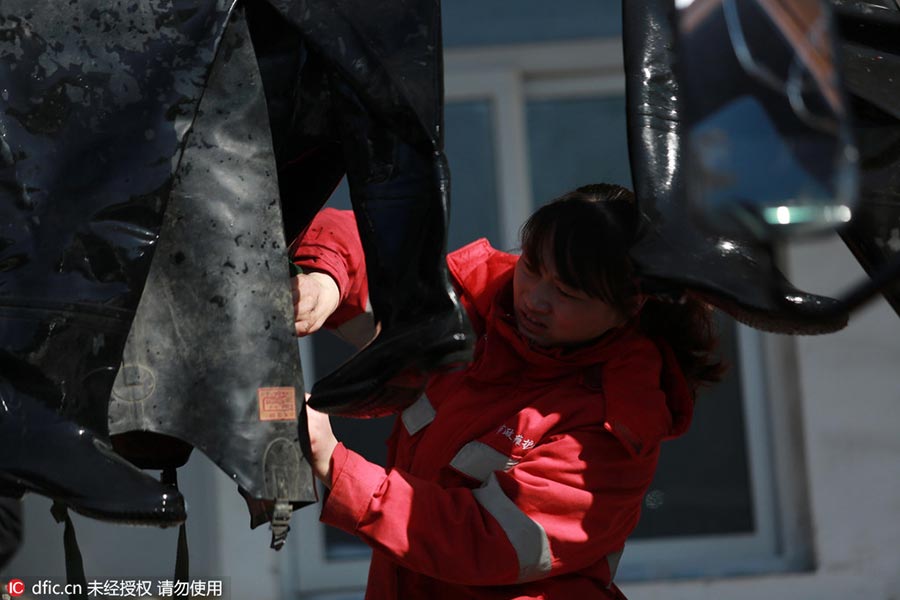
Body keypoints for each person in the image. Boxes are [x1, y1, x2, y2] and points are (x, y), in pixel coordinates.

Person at [291, 183, 725, 599]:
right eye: (532, 267)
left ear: (629, 307)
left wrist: (335, 464)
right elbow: (354, 242)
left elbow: (483, 540)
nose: (535, 299)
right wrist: (325, 282)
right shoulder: (469, 312)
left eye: (567, 292)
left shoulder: (614, 426)